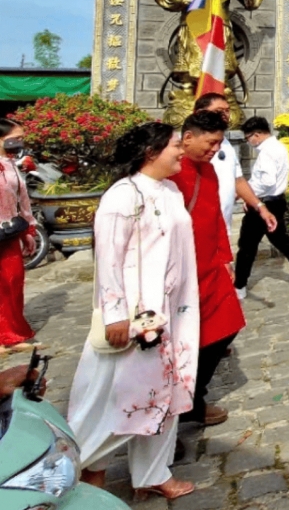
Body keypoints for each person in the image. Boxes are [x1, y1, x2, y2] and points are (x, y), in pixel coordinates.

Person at [69, 123, 198, 501]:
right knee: (117, 394)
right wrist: (115, 315)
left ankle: (153, 472)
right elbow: (108, 260)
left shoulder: (171, 191)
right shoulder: (121, 197)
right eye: (175, 145)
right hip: (133, 317)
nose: (180, 151)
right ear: (150, 151)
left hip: (171, 313)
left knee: (168, 392)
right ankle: (85, 464)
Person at [169, 112, 245, 428]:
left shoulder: (210, 172)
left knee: (225, 327)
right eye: (210, 142)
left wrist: (226, 259)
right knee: (176, 343)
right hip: (179, 273)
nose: (215, 149)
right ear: (188, 138)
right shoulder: (169, 173)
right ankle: (173, 413)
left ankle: (193, 396)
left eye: (219, 143)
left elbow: (215, 221)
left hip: (210, 267)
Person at [233, 117, 289, 297]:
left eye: (248, 138)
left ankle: (239, 285)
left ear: (256, 135)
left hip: (265, 202)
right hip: (276, 200)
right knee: (280, 239)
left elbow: (267, 181)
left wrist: (248, 195)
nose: (249, 142)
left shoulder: (267, 152)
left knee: (247, 245)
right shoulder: (278, 147)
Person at [193, 93, 279, 241]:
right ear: (200, 113)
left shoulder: (226, 144)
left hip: (222, 227)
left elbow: (238, 180)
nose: (225, 115)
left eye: (227, 110)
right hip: (196, 229)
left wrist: (260, 207)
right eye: (219, 111)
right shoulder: (191, 144)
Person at [0, 119, 36, 348]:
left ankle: (12, 333)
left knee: (13, 282)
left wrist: (29, 229)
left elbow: (22, 199)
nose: (19, 142)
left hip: (8, 232)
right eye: (16, 137)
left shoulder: (12, 164)